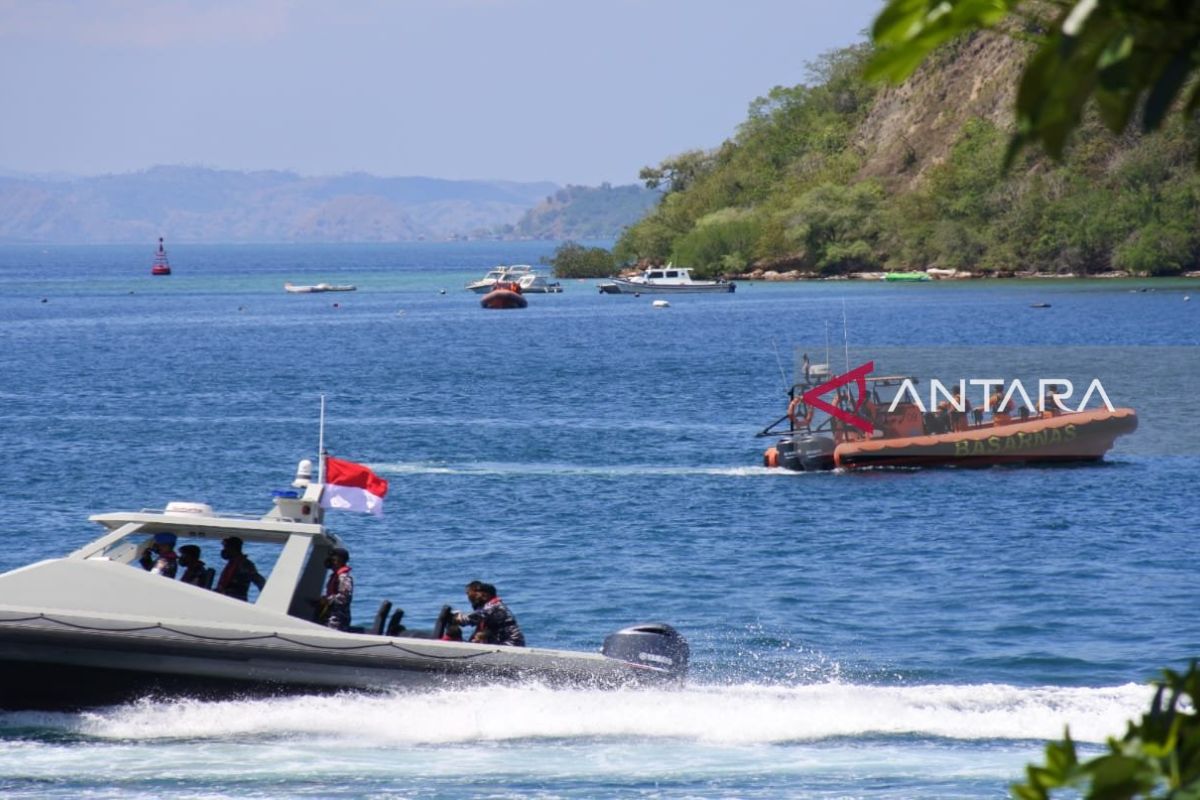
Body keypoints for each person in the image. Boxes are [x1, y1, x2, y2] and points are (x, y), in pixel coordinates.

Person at [455, 581, 525, 647]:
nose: (477, 597)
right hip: (502, 641)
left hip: (511, 644)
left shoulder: (494, 607)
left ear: (487, 595)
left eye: (479, 594)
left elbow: (471, 618)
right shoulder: (490, 606)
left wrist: (455, 618)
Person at [215, 536, 265, 601]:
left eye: (226, 547)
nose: (224, 550)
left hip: (236, 600)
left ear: (233, 548)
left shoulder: (245, 564)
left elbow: (260, 581)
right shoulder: (232, 563)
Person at [319, 547, 353, 631]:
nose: (331, 561)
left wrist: (328, 600)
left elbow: (344, 598)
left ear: (339, 560)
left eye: (334, 559)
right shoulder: (335, 575)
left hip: (338, 619)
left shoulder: (343, 577)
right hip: (332, 615)